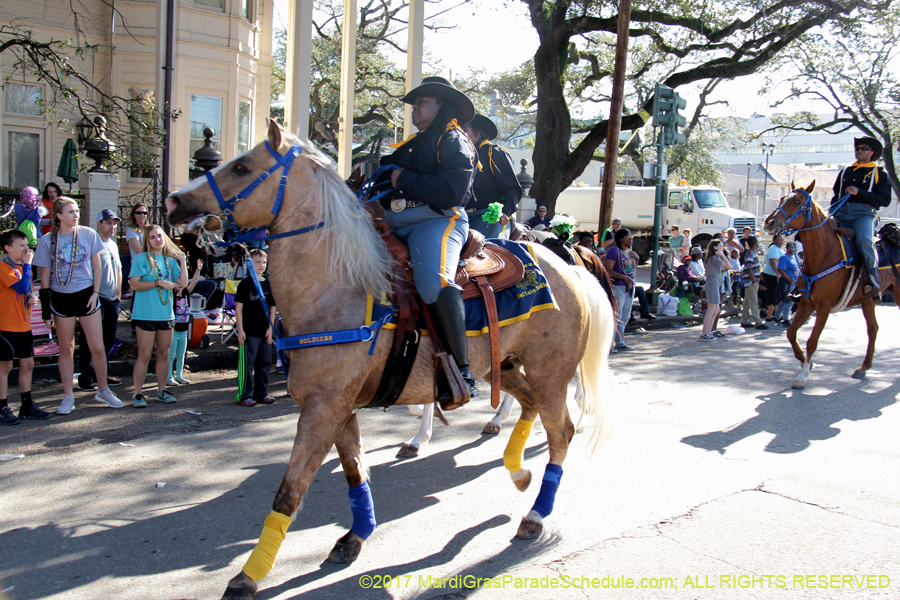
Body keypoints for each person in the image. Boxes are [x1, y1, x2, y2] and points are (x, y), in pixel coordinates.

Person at [378, 76, 479, 400]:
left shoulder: (453, 140)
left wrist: (401, 177)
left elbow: (453, 192)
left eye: (423, 102)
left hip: (434, 219)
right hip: (391, 221)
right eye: (415, 104)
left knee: (433, 282)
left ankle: (460, 373)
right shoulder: (412, 143)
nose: (415, 108)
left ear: (442, 106)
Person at [34, 198, 124, 413]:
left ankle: (103, 390)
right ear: (59, 215)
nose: (76, 215)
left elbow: (97, 264)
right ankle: (67, 396)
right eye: (70, 212)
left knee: (98, 347)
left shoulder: (87, 234)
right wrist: (46, 310)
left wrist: (95, 292)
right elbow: (44, 278)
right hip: (61, 297)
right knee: (66, 348)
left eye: (77, 211)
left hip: (86, 295)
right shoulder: (48, 241)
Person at [129, 225, 188, 408]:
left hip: (165, 314)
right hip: (145, 314)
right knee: (144, 355)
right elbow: (134, 284)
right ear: (148, 240)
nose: (158, 240)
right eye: (153, 237)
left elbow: (182, 284)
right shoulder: (142, 259)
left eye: (160, 236)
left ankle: (161, 390)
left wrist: (183, 262)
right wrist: (157, 283)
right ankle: (138, 393)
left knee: (164, 354)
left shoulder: (170, 262)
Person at [831, 136, 892, 298]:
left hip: (864, 214)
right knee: (818, 235)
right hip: (840, 213)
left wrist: (860, 193)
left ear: (872, 153)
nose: (859, 151)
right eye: (857, 148)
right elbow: (835, 196)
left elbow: (885, 200)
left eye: (864, 148)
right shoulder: (845, 171)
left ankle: (873, 280)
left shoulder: (879, 173)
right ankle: (804, 281)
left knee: (864, 240)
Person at [0, 230, 49, 425]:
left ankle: (26, 405)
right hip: (6, 325)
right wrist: (28, 264)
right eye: (21, 246)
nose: (26, 249)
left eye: (27, 245)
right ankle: (2, 406)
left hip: (23, 325)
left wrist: (32, 299)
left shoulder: (22, 268)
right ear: (8, 248)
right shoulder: (5, 267)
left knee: (28, 364)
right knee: (5, 366)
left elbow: (24, 291)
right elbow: (19, 287)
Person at [76, 210, 123, 390]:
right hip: (97, 298)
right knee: (90, 340)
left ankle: (101, 374)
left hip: (112, 299)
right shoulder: (91, 243)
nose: (112, 227)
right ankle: (86, 376)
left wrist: (118, 294)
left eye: (114, 223)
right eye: (109, 223)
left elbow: (118, 270)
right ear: (99, 224)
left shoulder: (113, 244)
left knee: (108, 340)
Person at [463, 114, 523, 239]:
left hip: (491, 216)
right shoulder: (461, 155)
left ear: (478, 133)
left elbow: (512, 188)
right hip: (462, 216)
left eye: (465, 129)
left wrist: (506, 213)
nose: (461, 134)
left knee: (486, 251)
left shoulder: (494, 153)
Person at [235, 249, 277, 406]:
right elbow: (238, 308)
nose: (261, 265)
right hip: (249, 331)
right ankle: (244, 394)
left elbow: (272, 308)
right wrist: (240, 330)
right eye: (257, 262)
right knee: (247, 364)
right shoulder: (245, 284)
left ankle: (261, 393)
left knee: (264, 363)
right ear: (250, 264)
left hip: (264, 330)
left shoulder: (268, 284)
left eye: (264, 262)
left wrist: (270, 328)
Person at [168, 259, 205, 386]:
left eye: (181, 281)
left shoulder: (185, 293)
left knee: (181, 355)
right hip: (173, 331)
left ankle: (179, 375)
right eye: (177, 281)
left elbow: (194, 282)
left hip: (184, 331)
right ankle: (168, 376)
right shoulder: (171, 295)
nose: (180, 284)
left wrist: (198, 270)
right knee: (170, 355)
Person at [603, 227, 637, 351]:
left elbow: (632, 269)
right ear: (621, 238)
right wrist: (623, 277)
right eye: (628, 236)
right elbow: (608, 269)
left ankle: (620, 341)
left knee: (625, 315)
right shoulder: (614, 251)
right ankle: (610, 343)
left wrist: (637, 258)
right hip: (618, 286)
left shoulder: (630, 251)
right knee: (617, 315)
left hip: (629, 286)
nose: (631, 239)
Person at [699, 240, 731, 341]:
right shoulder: (713, 258)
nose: (722, 247)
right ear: (715, 247)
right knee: (711, 310)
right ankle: (705, 333)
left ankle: (709, 331)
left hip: (715, 284)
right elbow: (729, 266)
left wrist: (721, 255)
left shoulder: (714, 258)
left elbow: (723, 269)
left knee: (716, 310)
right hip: (712, 284)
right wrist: (722, 255)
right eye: (720, 246)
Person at [740, 236, 767, 329]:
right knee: (753, 302)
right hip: (751, 281)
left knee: (747, 302)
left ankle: (745, 320)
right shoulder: (751, 254)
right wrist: (754, 280)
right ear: (755, 243)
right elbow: (749, 268)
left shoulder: (752, 253)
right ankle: (758, 322)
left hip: (749, 281)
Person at [774, 242, 800, 326]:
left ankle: (777, 316)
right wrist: (790, 279)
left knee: (784, 300)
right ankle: (785, 319)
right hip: (787, 282)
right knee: (789, 301)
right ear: (789, 248)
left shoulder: (791, 258)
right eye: (794, 248)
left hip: (793, 282)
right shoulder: (784, 258)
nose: (795, 250)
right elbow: (781, 269)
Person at [761, 234, 785, 322]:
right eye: (778, 240)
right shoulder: (773, 248)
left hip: (776, 274)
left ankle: (776, 314)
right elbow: (773, 262)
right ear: (774, 240)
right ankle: (769, 315)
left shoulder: (778, 249)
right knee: (772, 294)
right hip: (772, 275)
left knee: (777, 295)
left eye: (782, 240)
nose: (780, 242)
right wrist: (778, 274)